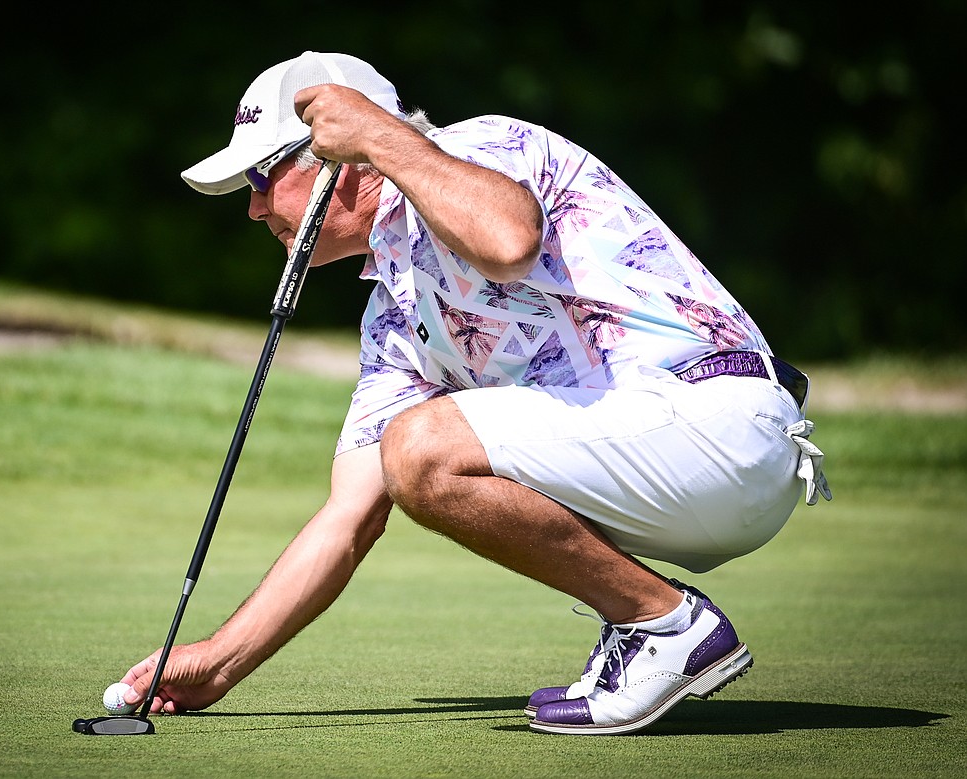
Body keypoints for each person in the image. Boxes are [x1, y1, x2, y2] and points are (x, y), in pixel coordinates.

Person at [119, 51, 831, 735]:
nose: (252, 208)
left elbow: (508, 239)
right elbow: (349, 516)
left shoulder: (482, 146)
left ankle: (664, 625)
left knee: (421, 444)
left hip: (719, 418)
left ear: (342, 158)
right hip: (671, 465)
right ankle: (655, 621)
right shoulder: (394, 315)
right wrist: (218, 663)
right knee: (414, 454)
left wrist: (377, 134)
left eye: (261, 179)